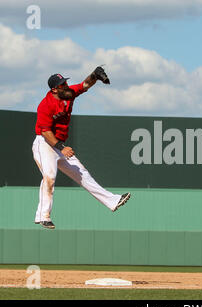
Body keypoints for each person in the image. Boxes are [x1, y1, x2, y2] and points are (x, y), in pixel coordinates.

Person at [32, 67, 131, 229]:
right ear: (54, 89)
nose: (66, 85)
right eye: (62, 84)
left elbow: (84, 85)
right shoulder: (45, 105)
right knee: (49, 176)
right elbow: (45, 131)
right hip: (45, 144)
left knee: (83, 175)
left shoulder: (68, 94)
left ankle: (113, 201)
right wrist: (61, 148)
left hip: (59, 145)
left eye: (65, 82)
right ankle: (43, 216)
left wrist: (95, 75)